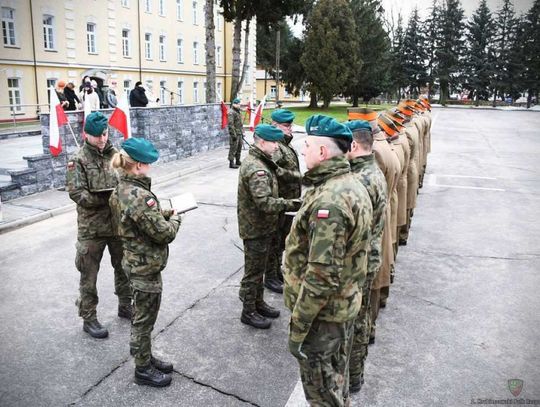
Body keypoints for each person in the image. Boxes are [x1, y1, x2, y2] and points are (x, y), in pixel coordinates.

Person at [284, 115, 372, 407]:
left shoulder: (329, 201)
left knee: (322, 395)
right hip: (339, 308)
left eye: (307, 145)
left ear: (322, 152)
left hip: (323, 319)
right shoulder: (348, 182)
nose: (303, 150)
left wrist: (298, 327)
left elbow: (321, 276)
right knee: (335, 384)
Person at [109, 137, 181, 388]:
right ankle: (142, 369)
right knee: (144, 319)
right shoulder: (139, 195)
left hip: (134, 260)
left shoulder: (122, 188)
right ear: (138, 165)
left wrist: (161, 214)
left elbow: (135, 221)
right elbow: (164, 233)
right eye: (148, 163)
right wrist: (176, 219)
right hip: (144, 267)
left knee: (143, 316)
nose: (150, 167)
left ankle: (146, 357)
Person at [65, 112, 131, 339]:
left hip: (116, 225)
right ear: (86, 134)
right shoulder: (78, 159)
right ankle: (89, 318)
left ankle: (125, 305)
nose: (102, 139)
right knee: (88, 274)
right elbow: (77, 193)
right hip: (91, 229)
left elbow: (127, 180)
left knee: (123, 268)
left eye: (104, 134)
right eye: (96, 136)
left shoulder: (116, 154)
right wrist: (106, 199)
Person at [237, 124, 302, 329]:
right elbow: (264, 203)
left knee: (259, 269)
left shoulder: (262, 161)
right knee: (253, 273)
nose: (276, 146)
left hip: (262, 227)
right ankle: (248, 311)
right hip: (256, 228)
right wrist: (294, 204)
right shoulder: (257, 168)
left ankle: (258, 303)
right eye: (273, 142)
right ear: (262, 142)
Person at [344, 120, 387, 394]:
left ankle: (354, 376)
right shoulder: (372, 170)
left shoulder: (362, 179)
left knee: (356, 321)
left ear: (354, 145)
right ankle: (357, 371)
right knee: (363, 317)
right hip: (370, 257)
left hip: (361, 262)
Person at [351, 108, 399, 343]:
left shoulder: (376, 155)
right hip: (385, 211)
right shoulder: (384, 148)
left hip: (377, 221)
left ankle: (366, 330)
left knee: (372, 283)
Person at [264, 109, 302, 294]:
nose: (290, 129)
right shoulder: (276, 147)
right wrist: (298, 177)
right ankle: (270, 276)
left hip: (288, 202)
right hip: (280, 202)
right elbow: (274, 171)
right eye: (286, 126)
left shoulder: (286, 144)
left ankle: (276, 271)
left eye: (290, 125)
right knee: (274, 240)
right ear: (275, 125)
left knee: (281, 240)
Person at [227, 98, 244, 169]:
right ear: (234, 104)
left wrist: (242, 132)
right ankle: (231, 163)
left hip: (239, 133)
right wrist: (233, 135)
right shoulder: (231, 112)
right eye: (238, 104)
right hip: (235, 134)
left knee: (239, 147)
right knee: (233, 148)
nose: (240, 105)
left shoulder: (238, 111)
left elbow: (239, 123)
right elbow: (231, 124)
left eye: (239, 104)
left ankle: (237, 160)